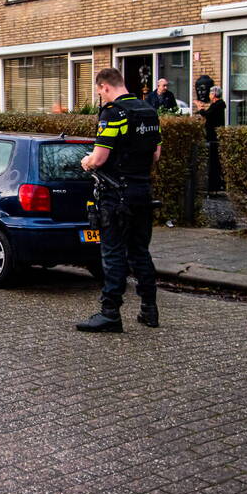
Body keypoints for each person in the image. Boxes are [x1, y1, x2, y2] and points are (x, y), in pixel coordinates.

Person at [77, 67, 162, 333]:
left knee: (113, 253)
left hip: (117, 194)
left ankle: (110, 313)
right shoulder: (149, 111)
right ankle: (149, 310)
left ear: (104, 87)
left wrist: (87, 162)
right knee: (140, 252)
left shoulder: (113, 114)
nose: (100, 97)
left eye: (99, 92)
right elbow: (155, 155)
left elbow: (100, 158)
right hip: (142, 192)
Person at [195, 86, 226, 194]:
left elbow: (207, 115)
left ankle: (214, 185)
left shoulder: (217, 105)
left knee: (213, 161)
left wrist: (200, 108)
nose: (209, 95)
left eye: (210, 93)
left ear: (213, 95)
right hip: (212, 136)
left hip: (213, 137)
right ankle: (215, 185)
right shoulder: (217, 105)